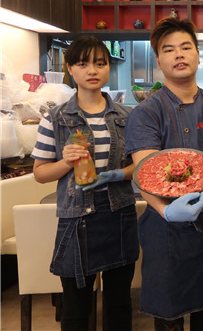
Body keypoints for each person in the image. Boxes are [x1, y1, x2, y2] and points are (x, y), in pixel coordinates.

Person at [125, 18, 203, 331]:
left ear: (198, 54)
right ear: (158, 60)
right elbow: (146, 173)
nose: (179, 54)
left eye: (186, 47)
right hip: (165, 228)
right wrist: (166, 211)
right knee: (168, 318)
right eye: (169, 49)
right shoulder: (145, 113)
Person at [32, 36, 138, 330]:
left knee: (119, 303)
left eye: (100, 63)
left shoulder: (128, 117)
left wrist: (119, 174)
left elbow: (140, 166)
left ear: (108, 69)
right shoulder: (55, 119)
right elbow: (40, 173)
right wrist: (66, 162)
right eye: (82, 64)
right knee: (76, 306)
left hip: (119, 213)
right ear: (69, 68)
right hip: (76, 218)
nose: (92, 70)